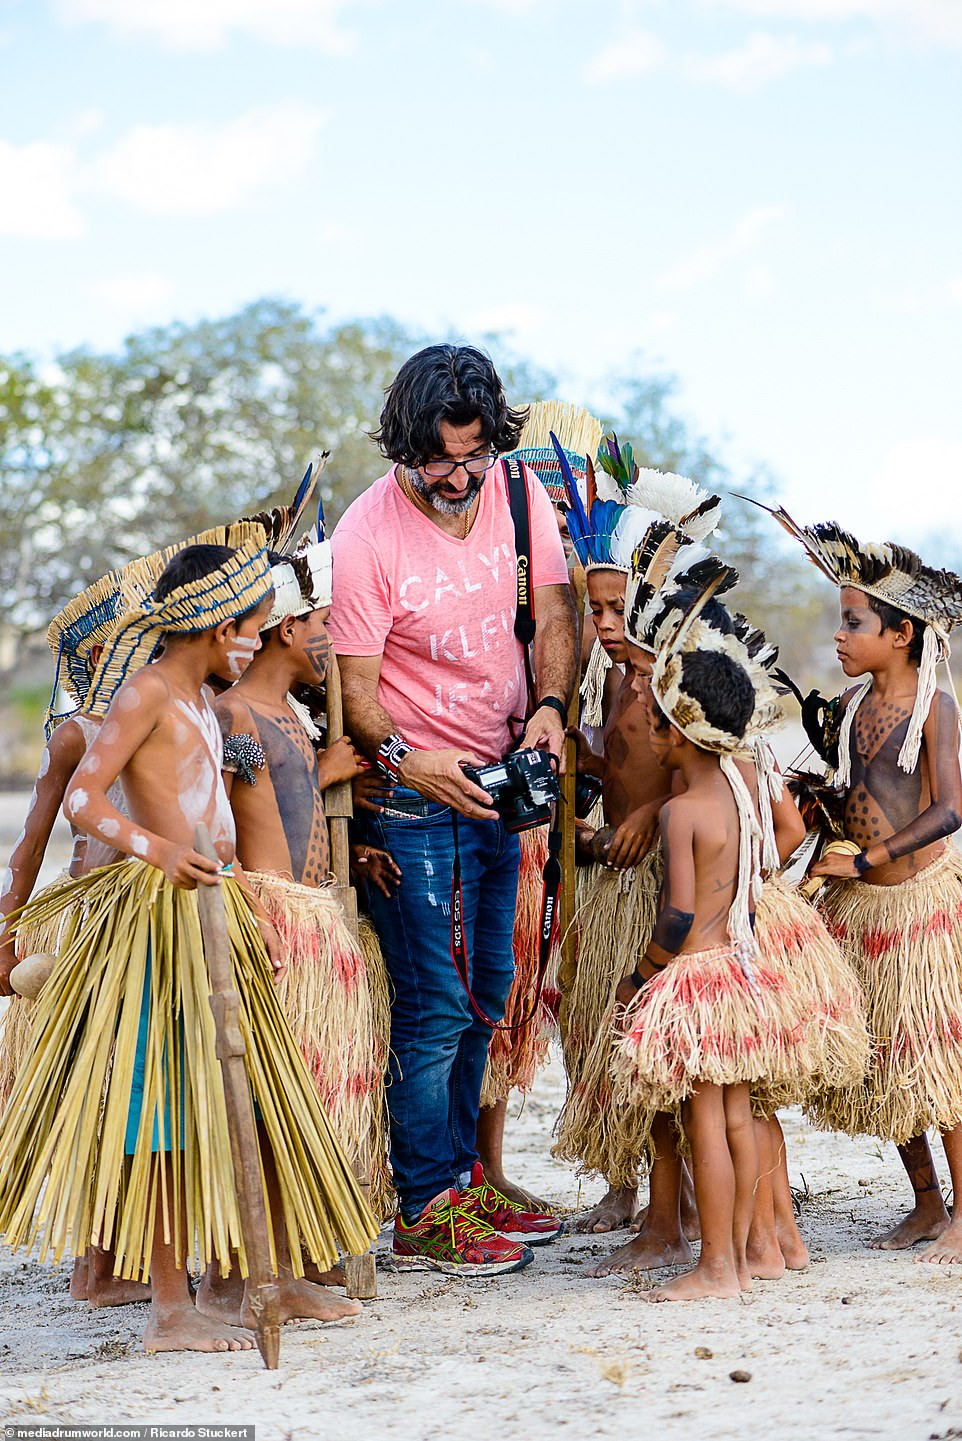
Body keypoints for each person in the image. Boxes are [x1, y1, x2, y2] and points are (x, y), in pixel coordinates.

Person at [0, 533, 377, 1353]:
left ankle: (252, 1281)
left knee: (260, 1096)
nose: (257, 638)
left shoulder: (208, 702)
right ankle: (171, 1308)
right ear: (216, 628)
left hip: (220, 914)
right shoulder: (144, 695)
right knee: (169, 1111)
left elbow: (222, 801)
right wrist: (157, 848)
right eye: (252, 625)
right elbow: (85, 802)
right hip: (161, 924)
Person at [329, 344, 576, 1273]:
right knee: (431, 1008)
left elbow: (555, 617)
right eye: (442, 461)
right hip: (413, 800)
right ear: (404, 447)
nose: (463, 478)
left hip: (504, 783)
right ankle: (423, 1205)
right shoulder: (367, 536)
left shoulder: (517, 495)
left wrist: (549, 708)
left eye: (476, 455)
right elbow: (354, 692)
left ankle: (465, 1185)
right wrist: (406, 758)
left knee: (483, 1002)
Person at [755, 508, 962, 1262]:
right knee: (888, 1059)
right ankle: (927, 1202)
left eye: (853, 621)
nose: (839, 636)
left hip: (920, 906)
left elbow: (950, 807)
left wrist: (873, 861)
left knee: (936, 1056)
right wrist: (809, 796)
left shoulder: (935, 706)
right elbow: (847, 793)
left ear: (901, 631)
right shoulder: (846, 709)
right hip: (862, 911)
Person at [610, 570, 808, 1302]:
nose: (650, 731)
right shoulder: (740, 782)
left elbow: (677, 917)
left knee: (704, 1119)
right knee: (738, 1118)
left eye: (658, 721)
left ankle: (718, 1266)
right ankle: (752, 1252)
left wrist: (640, 976)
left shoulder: (682, 810)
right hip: (745, 973)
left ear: (684, 733)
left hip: (696, 979)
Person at [550, 440, 721, 1241]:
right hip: (612, 880)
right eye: (596, 608)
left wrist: (652, 815)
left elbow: (720, 771)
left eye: (620, 609)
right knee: (609, 1042)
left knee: (663, 1054)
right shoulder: (612, 668)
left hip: (665, 883)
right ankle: (636, 1193)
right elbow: (613, 752)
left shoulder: (675, 673)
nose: (607, 624)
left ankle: (675, 1207)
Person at [212, 535, 394, 1226]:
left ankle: (306, 1239)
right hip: (275, 919)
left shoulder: (290, 713)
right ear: (287, 628)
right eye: (321, 625)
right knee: (279, 1092)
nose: (329, 640)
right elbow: (231, 801)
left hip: (317, 919)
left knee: (321, 1088)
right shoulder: (240, 717)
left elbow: (278, 801)